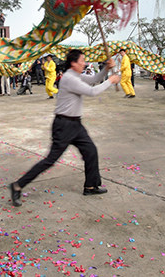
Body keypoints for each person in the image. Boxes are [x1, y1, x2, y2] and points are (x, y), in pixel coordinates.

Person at [9, 50, 120, 206]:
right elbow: (92, 91)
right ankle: (17, 185)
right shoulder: (69, 78)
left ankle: (90, 185)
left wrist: (106, 70)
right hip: (64, 125)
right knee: (50, 160)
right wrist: (111, 80)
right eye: (82, 60)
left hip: (75, 124)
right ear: (73, 63)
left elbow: (94, 79)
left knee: (91, 151)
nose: (85, 63)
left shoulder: (75, 75)